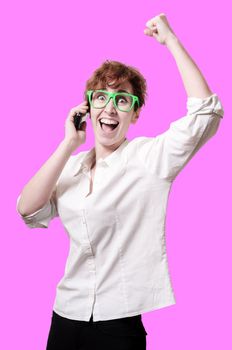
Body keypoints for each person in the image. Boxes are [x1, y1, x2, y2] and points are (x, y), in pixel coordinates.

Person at [16, 13, 224, 350]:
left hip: (119, 324)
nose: (110, 109)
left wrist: (170, 40)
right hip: (65, 316)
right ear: (88, 106)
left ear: (135, 113)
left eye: (122, 100)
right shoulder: (70, 168)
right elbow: (27, 209)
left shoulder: (148, 159)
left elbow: (206, 114)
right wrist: (69, 143)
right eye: (101, 97)